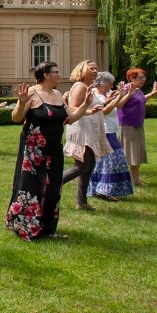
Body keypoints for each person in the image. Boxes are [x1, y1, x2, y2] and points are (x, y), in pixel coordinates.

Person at [5, 61, 93, 241]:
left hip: (54, 148)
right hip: (34, 149)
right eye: (56, 72)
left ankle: (47, 229)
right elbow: (16, 117)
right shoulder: (32, 92)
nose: (59, 75)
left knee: (53, 186)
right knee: (31, 185)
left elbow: (68, 119)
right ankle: (26, 226)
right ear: (46, 74)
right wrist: (21, 103)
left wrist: (84, 106)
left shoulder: (58, 94)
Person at [62, 60, 111, 211]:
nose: (95, 71)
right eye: (92, 68)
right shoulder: (80, 86)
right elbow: (73, 108)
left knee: (89, 166)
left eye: (96, 68)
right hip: (82, 130)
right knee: (82, 166)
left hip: (90, 129)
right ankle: (49, 184)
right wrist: (90, 111)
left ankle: (82, 202)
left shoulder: (88, 87)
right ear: (82, 70)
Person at [87, 72, 135, 201]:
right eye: (110, 83)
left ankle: (100, 189)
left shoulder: (107, 94)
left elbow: (118, 106)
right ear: (103, 84)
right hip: (104, 131)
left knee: (106, 162)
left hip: (111, 130)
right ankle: (104, 190)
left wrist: (126, 95)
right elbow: (105, 111)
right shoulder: (96, 96)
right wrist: (118, 96)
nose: (112, 86)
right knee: (112, 160)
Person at [118, 68, 157, 187]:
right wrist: (128, 94)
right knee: (131, 153)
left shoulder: (138, 90)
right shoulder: (126, 88)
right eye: (140, 78)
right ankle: (130, 180)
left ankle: (135, 180)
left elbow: (139, 100)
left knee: (136, 153)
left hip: (137, 124)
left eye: (143, 78)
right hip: (128, 125)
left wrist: (151, 94)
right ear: (131, 78)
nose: (143, 80)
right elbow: (119, 105)